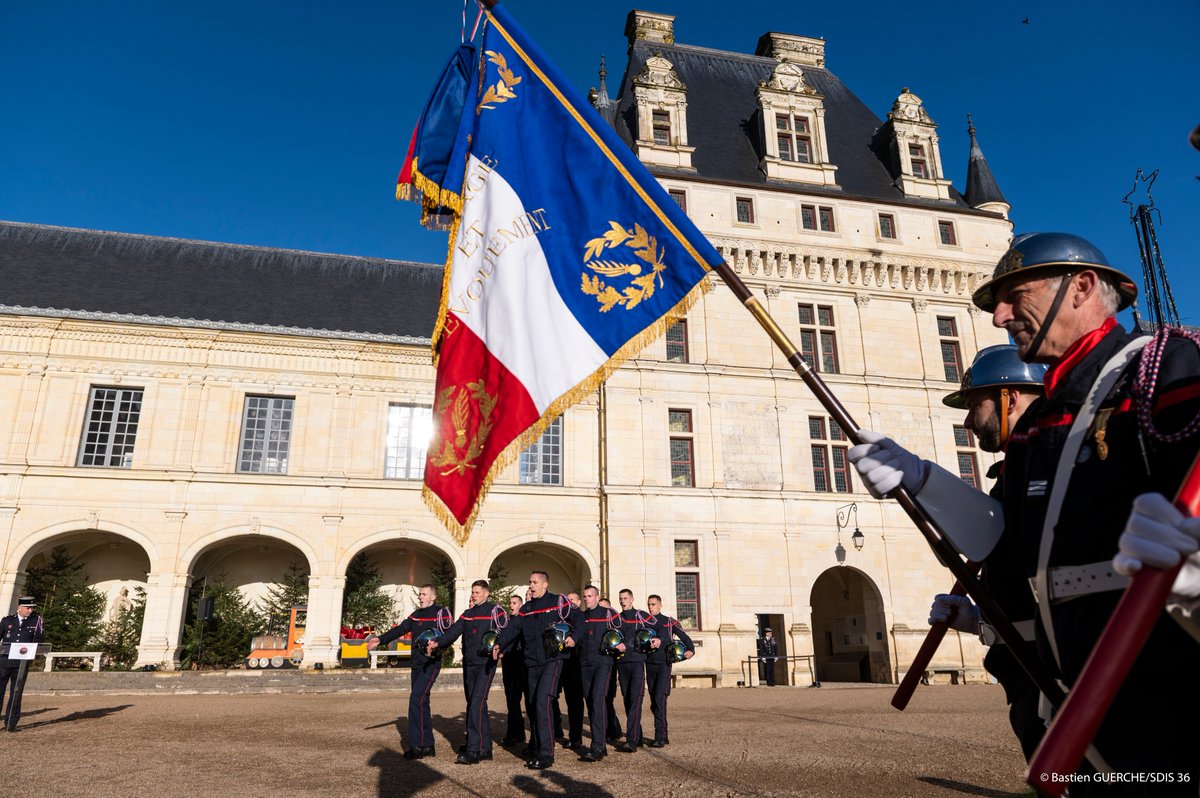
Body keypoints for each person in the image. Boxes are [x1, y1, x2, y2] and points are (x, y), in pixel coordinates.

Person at [849, 232, 1200, 791]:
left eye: (1016, 296)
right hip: (1069, 697)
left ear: (1082, 286)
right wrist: (920, 481)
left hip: (1165, 696)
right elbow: (1005, 545)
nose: (999, 317)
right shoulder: (1041, 422)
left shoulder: (1164, 368)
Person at [929, 344, 1047, 761]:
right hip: (1028, 673)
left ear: (1008, 398)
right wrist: (982, 620)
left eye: (974, 405)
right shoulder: (1014, 472)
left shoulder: (1043, 466)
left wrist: (923, 484)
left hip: (1056, 672)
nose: (967, 421)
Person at [493, 571, 577, 770]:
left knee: (542, 701)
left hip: (553, 660)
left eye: (534, 582)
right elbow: (512, 628)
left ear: (545, 584)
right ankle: (538, 746)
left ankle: (547, 754)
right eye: (529, 582)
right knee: (532, 705)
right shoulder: (527, 608)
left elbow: (579, 619)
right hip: (532, 663)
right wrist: (499, 644)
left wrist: (574, 637)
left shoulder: (558, 602)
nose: (531, 585)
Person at [367, 584, 448, 759]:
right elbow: (401, 629)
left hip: (431, 664)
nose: (420, 597)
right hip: (417, 664)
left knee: (416, 699)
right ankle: (428, 745)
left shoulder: (441, 613)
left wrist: (439, 646)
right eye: (420, 594)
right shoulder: (416, 614)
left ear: (433, 597)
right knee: (422, 703)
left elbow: (449, 634)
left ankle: (417, 745)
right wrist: (380, 639)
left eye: (424, 594)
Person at [429, 579, 500, 764]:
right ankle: (485, 748)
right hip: (469, 664)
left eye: (477, 592)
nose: (473, 595)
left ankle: (473, 750)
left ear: (486, 593)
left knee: (476, 703)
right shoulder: (467, 614)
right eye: (472, 592)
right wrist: (437, 643)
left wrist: (502, 648)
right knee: (475, 704)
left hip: (486, 664)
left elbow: (506, 633)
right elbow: (453, 632)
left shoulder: (495, 612)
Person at [572, 585, 621, 762]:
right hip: (585, 664)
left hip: (603, 663)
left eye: (590, 596)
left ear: (597, 597)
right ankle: (601, 744)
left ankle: (597, 746)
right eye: (585, 596)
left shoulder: (608, 614)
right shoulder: (581, 617)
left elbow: (622, 632)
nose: (587, 599)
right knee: (591, 703)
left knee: (597, 700)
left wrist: (623, 644)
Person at [644, 594, 693, 746]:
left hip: (664, 665)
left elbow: (684, 637)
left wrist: (691, 650)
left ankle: (659, 737)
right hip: (649, 665)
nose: (650, 607)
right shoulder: (644, 622)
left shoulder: (669, 622)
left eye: (653, 604)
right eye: (649, 604)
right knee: (654, 702)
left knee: (660, 698)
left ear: (660, 605)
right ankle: (663, 733)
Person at [613, 588, 652, 752]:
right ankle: (638, 736)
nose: (623, 601)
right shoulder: (617, 618)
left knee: (636, 699)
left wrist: (658, 639)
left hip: (637, 662)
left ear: (632, 599)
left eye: (625, 598)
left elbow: (656, 628)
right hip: (622, 664)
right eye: (620, 598)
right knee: (628, 700)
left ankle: (632, 741)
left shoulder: (641, 616)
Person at [1, 596, 44, 732]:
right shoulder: (7, 620)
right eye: (27, 608)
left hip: (21, 663)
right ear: (19, 608)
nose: (30, 611)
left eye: (32, 608)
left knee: (16, 693)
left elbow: (38, 640)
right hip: (4, 662)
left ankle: (11, 724)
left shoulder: (36, 621)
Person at [556, 590, 585, 750]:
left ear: (579, 602)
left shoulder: (581, 617)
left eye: (573, 600)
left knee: (576, 702)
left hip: (577, 663)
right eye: (568, 600)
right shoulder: (561, 618)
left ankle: (577, 737)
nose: (571, 603)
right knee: (567, 700)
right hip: (563, 663)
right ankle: (565, 733)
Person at [500, 593, 528, 746]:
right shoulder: (507, 622)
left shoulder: (524, 621)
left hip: (521, 663)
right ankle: (516, 733)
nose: (511, 605)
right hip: (509, 663)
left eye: (514, 603)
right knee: (511, 700)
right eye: (510, 603)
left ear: (520, 605)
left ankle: (517, 733)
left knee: (519, 699)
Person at [598, 597, 623, 743]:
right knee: (603, 700)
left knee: (607, 699)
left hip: (611, 665)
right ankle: (612, 729)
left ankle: (613, 729)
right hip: (600, 664)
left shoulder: (615, 625)